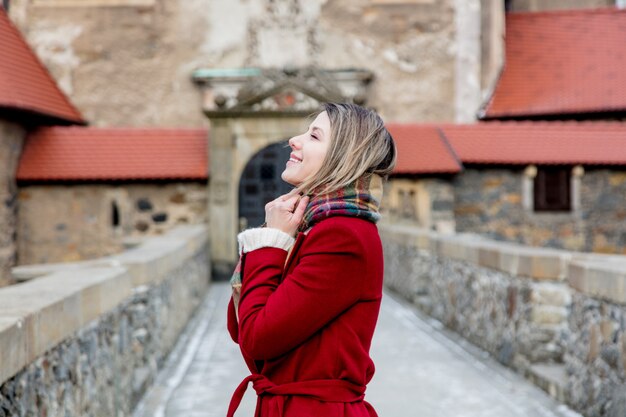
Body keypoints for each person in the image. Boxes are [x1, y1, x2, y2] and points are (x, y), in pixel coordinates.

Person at [226, 102, 397, 417]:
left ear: (344, 157)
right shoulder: (317, 225)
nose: (295, 139)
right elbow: (243, 329)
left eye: (314, 137)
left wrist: (270, 244)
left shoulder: (342, 234)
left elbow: (256, 338)